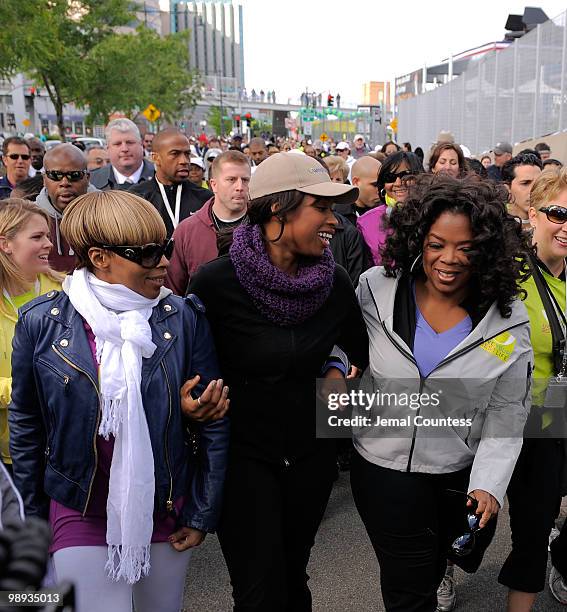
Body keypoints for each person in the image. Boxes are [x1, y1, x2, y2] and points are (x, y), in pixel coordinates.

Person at [8, 190, 230, 612]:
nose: (164, 262)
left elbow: (214, 423)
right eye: (147, 253)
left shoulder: (182, 317)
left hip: (162, 503)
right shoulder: (41, 322)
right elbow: (28, 425)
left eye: (164, 248)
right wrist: (32, 523)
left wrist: (202, 510)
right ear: (99, 257)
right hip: (78, 505)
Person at [188, 151, 369, 611]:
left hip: (311, 456)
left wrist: (336, 367)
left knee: (292, 576)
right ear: (277, 209)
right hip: (243, 457)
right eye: (321, 208)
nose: (336, 221)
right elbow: (188, 366)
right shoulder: (216, 282)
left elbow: (354, 349)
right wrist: (191, 403)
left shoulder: (336, 282)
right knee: (258, 587)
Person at [352, 173, 532, 612]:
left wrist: (488, 485)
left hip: (457, 477)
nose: (448, 259)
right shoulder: (374, 288)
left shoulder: (507, 320)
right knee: (409, 588)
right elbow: (342, 347)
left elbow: (508, 410)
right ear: (417, 240)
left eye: (465, 247)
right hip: (383, 473)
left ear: (486, 250)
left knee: (431, 573)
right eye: (436, 244)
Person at [499, 168, 567, 610]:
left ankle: (561, 558)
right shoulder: (507, 274)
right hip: (526, 414)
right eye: (559, 213)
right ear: (532, 213)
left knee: (541, 527)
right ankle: (446, 563)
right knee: (531, 526)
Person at [0, 199, 62, 469]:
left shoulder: (67, 293)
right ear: (5, 244)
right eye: (37, 237)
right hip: (8, 457)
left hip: (61, 450)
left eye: (47, 236)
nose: (49, 244)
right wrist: (23, 389)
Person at [166, 150, 251, 295]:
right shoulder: (187, 231)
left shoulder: (265, 225)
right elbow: (173, 292)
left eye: (245, 180)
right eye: (231, 179)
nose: (239, 187)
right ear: (213, 185)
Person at [129, 129, 212, 238]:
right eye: (175, 154)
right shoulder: (136, 198)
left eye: (187, 154)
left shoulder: (206, 199)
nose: (184, 161)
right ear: (156, 158)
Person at [35, 144, 96, 272]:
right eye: (55, 175)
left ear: (87, 178)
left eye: (74, 175)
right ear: (44, 179)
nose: (64, 183)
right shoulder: (30, 219)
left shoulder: (106, 213)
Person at [89, 119, 154, 190]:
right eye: (118, 144)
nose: (124, 149)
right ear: (108, 149)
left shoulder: (161, 178)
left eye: (130, 142)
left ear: (141, 145)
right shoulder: (92, 182)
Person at [335, 156, 381, 225]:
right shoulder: (337, 215)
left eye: (382, 185)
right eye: (375, 185)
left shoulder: (387, 211)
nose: (380, 190)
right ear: (356, 182)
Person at [502, 153, 543, 230]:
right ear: (507, 188)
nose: (535, 189)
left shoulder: (552, 224)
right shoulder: (495, 227)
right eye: (525, 183)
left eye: (539, 183)